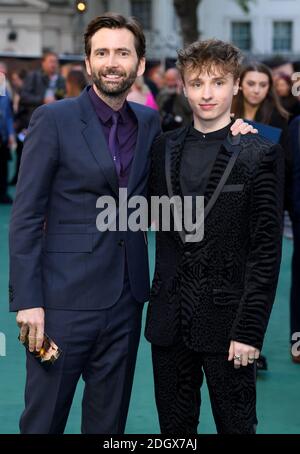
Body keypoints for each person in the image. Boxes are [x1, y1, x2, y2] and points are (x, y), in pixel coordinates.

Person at [9, 13, 161, 434]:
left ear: (140, 64)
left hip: (126, 301)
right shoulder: (52, 119)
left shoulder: (148, 123)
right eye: (102, 52)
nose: (112, 62)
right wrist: (28, 301)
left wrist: (239, 131)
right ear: (89, 63)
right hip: (61, 303)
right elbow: (25, 215)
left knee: (108, 425)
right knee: (43, 422)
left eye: (122, 52)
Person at [145, 39, 284, 434]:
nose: (207, 93)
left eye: (218, 82)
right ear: (183, 87)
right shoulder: (162, 148)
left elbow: (266, 252)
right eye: (197, 83)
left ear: (236, 86)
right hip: (168, 323)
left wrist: (249, 330)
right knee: (173, 431)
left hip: (229, 327)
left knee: (237, 427)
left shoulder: (259, 152)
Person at [0, 85, 16, 204]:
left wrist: (11, 134)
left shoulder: (4, 94)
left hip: (3, 137)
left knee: (3, 166)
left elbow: (9, 116)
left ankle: (3, 193)